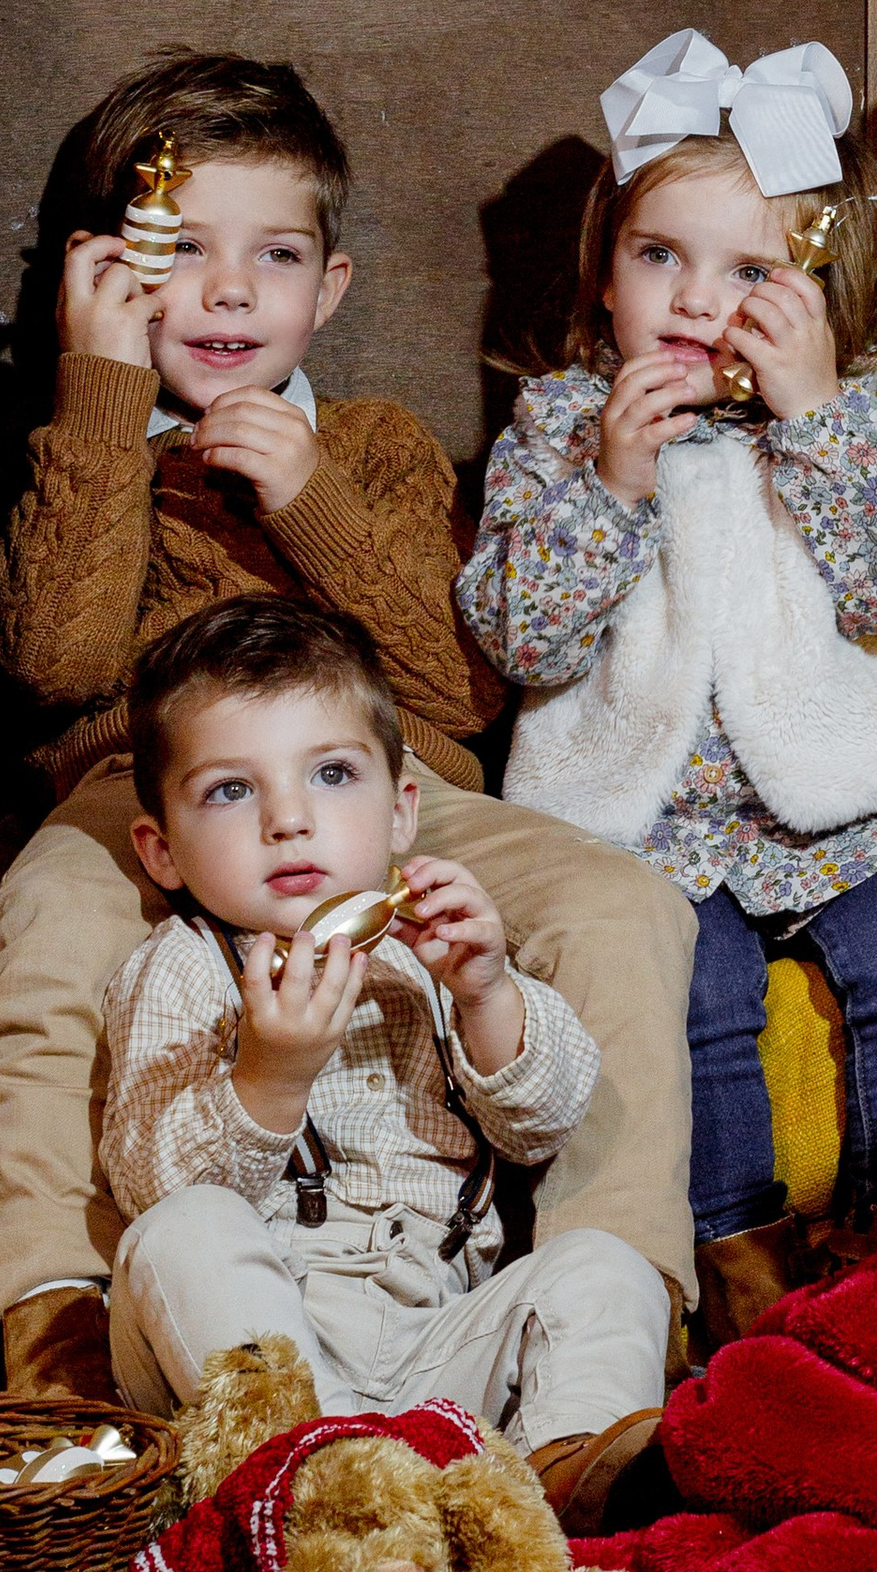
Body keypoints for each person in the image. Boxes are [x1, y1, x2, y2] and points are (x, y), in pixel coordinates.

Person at [0, 52, 696, 1399]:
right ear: (112, 273)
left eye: (277, 255)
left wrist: (312, 500)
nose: (231, 291)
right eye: (185, 251)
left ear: (330, 285)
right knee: (49, 915)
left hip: (385, 786)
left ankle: (614, 1319)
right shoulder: (93, 440)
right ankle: (55, 1328)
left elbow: (462, 693)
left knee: (623, 905)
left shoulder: (371, 447)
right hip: (154, 788)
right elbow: (57, 664)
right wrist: (101, 391)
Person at [459, 30, 877, 1351]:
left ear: (820, 293)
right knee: (689, 998)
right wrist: (613, 484)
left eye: (751, 272)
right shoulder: (560, 426)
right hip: (646, 826)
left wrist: (817, 419)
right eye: (658, 258)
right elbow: (522, 638)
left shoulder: (842, 415)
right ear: (605, 272)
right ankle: (743, 1292)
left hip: (847, 811)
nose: (697, 302)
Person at [103, 597, 670, 1533]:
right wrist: (270, 1077)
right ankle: (322, 1494)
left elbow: (543, 1123)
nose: (289, 820)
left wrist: (488, 995)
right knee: (182, 1236)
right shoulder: (184, 965)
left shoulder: (429, 950)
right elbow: (150, 1183)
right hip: (261, 1356)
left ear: (401, 812)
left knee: (604, 1267)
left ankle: (558, 1487)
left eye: (331, 774)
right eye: (231, 791)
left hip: (434, 1335)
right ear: (163, 851)